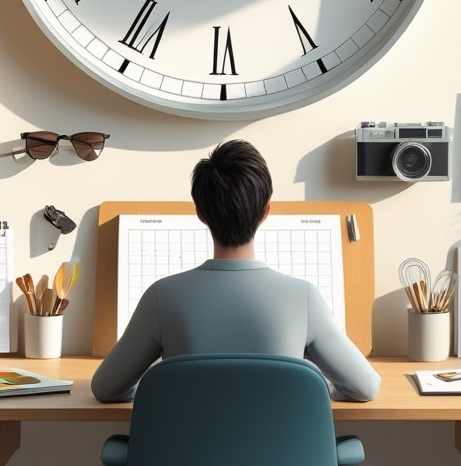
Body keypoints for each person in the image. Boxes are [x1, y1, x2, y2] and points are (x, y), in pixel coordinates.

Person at [91, 140, 380, 402]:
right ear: (265, 211)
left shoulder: (161, 296)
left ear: (201, 213)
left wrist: (161, 388)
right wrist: (315, 390)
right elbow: (365, 388)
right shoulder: (305, 298)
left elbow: (105, 388)